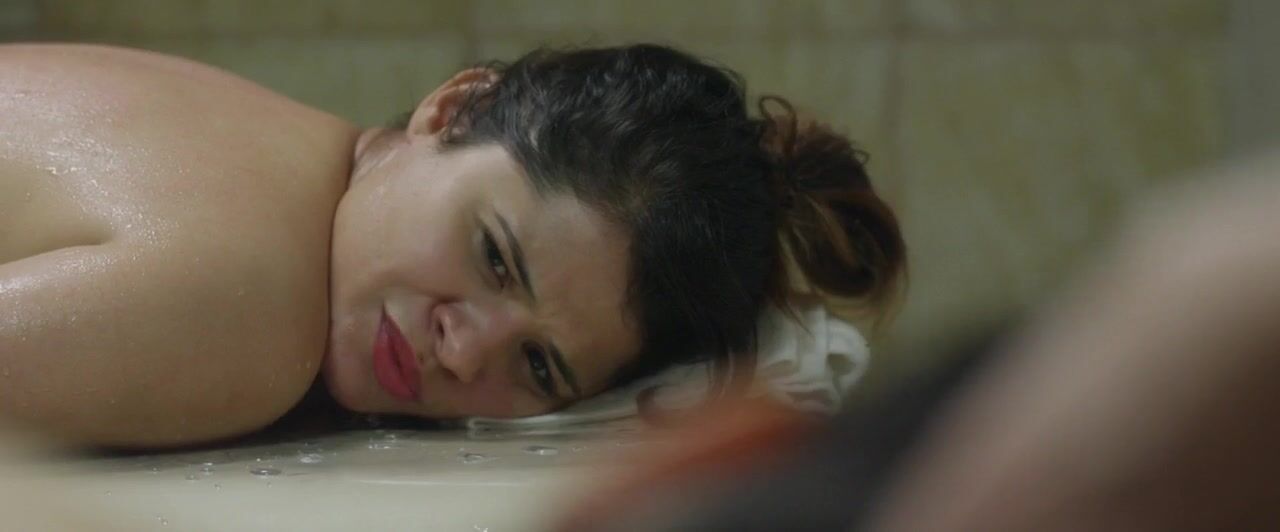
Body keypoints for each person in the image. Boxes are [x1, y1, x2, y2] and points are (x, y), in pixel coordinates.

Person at [0, 43, 906, 448]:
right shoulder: (256, 311)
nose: (465, 352)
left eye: (540, 366)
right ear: (454, 109)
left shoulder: (270, 144)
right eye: (495, 256)